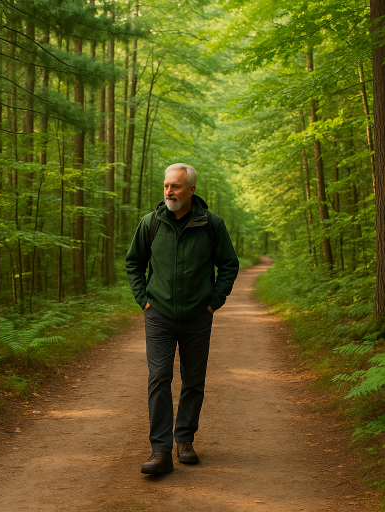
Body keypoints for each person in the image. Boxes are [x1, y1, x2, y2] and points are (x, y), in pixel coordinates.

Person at [125, 163, 239, 475]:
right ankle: (160, 450)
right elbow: (134, 263)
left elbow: (229, 265)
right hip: (159, 314)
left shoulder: (211, 224)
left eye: (175, 186)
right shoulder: (151, 223)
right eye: (166, 186)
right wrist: (144, 300)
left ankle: (185, 440)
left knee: (193, 380)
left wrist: (213, 303)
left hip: (197, 316)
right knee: (159, 377)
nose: (169, 192)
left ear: (191, 189)